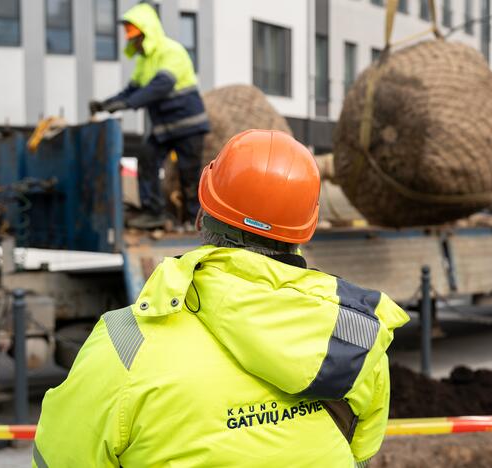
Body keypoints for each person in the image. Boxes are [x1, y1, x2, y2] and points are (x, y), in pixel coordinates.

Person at [33, 130, 409, 467]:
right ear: (305, 231)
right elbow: (360, 452)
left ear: (201, 215)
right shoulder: (356, 337)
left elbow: (59, 458)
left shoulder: (124, 345)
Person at [90, 3, 209, 230]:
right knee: (147, 157)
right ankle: (153, 212)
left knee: (189, 174)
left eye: (134, 36)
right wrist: (106, 104)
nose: (131, 41)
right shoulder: (144, 61)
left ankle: (196, 222)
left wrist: (127, 103)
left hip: (188, 125)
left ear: (146, 33)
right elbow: (132, 89)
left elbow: (161, 86)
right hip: (164, 127)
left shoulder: (171, 51)